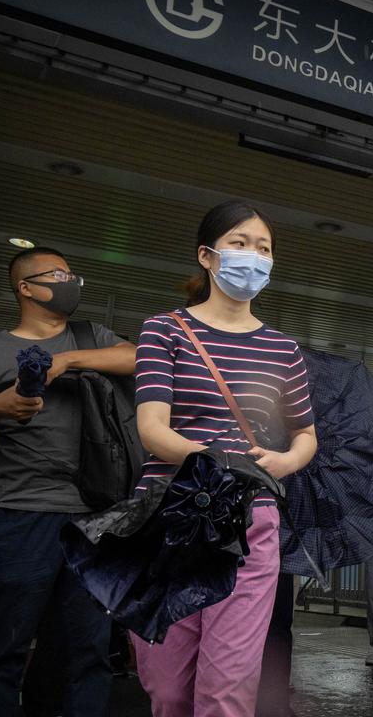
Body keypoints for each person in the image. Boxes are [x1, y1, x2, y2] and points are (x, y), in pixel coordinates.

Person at [131, 200, 318, 716]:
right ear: (207, 257)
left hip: (249, 518)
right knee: (167, 689)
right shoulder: (164, 330)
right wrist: (218, 460)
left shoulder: (284, 349)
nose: (253, 257)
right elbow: (153, 430)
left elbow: (305, 434)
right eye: (239, 244)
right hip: (170, 514)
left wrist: (284, 462)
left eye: (264, 248)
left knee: (227, 686)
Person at [0, 246, 136, 716]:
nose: (70, 281)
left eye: (72, 274)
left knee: (85, 652)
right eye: (58, 274)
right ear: (26, 287)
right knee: (4, 650)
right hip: (17, 514)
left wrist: (70, 361)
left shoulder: (91, 336)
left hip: (92, 520)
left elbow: (139, 359)